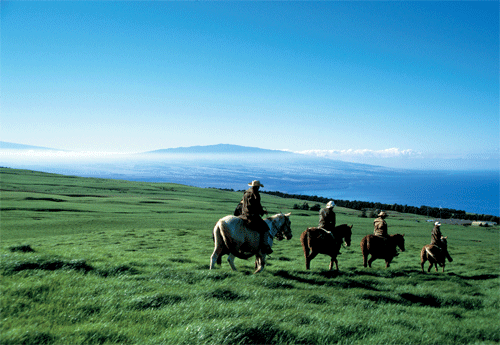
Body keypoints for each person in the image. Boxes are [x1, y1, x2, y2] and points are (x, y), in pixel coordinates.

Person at [239, 180, 273, 254]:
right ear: (257, 187)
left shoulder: (246, 192)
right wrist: (262, 212)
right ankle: (265, 246)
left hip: (243, 214)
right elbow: (257, 205)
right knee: (265, 228)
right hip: (251, 216)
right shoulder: (255, 194)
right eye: (259, 187)